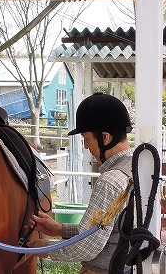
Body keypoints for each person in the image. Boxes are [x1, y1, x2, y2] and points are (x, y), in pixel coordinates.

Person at [27, 92, 133, 274]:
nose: (85, 146)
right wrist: (61, 229)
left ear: (105, 137)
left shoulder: (110, 180)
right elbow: (107, 232)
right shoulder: (135, 166)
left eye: (86, 138)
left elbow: (86, 247)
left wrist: (42, 248)